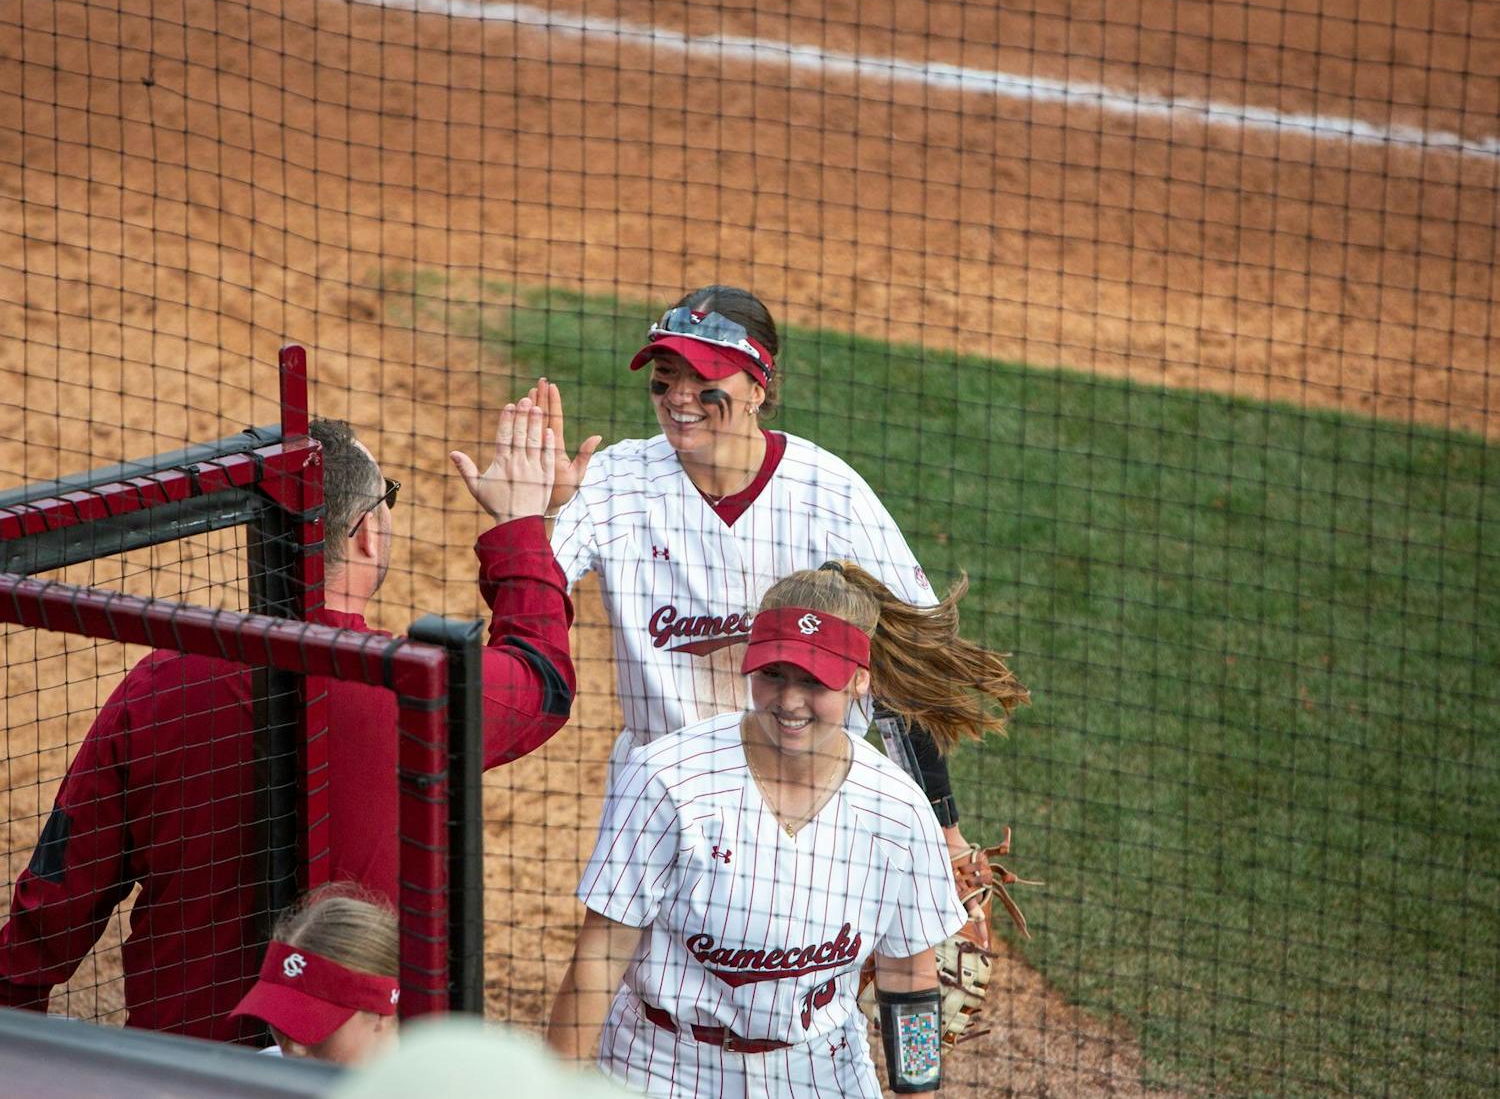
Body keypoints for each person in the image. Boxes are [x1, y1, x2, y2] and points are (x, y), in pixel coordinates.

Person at [0, 398, 576, 1043]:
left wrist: (16, 1018)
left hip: (182, 1064)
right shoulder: (414, 686)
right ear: (366, 531)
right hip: (355, 1067)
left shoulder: (161, 680)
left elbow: (60, 889)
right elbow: (542, 679)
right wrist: (521, 523)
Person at [539, 285, 987, 900]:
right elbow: (534, 597)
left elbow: (902, 671)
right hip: (664, 807)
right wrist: (534, 518)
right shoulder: (616, 481)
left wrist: (946, 834)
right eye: (665, 379)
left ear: (758, 387)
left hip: (811, 805)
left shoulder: (830, 495)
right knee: (635, 989)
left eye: (704, 379)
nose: (678, 398)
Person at [545, 561, 1027, 1095]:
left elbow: (908, 977)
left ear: (859, 681)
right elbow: (600, 955)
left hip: (821, 1073)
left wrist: (918, 1088)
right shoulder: (667, 780)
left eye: (814, 681)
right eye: (773, 673)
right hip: (665, 1068)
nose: (790, 701)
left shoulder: (898, 811)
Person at [231, 884, 400, 1065]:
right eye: (280, 1017)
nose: (293, 1048)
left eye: (314, 1024)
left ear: (381, 1014)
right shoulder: (259, 1073)